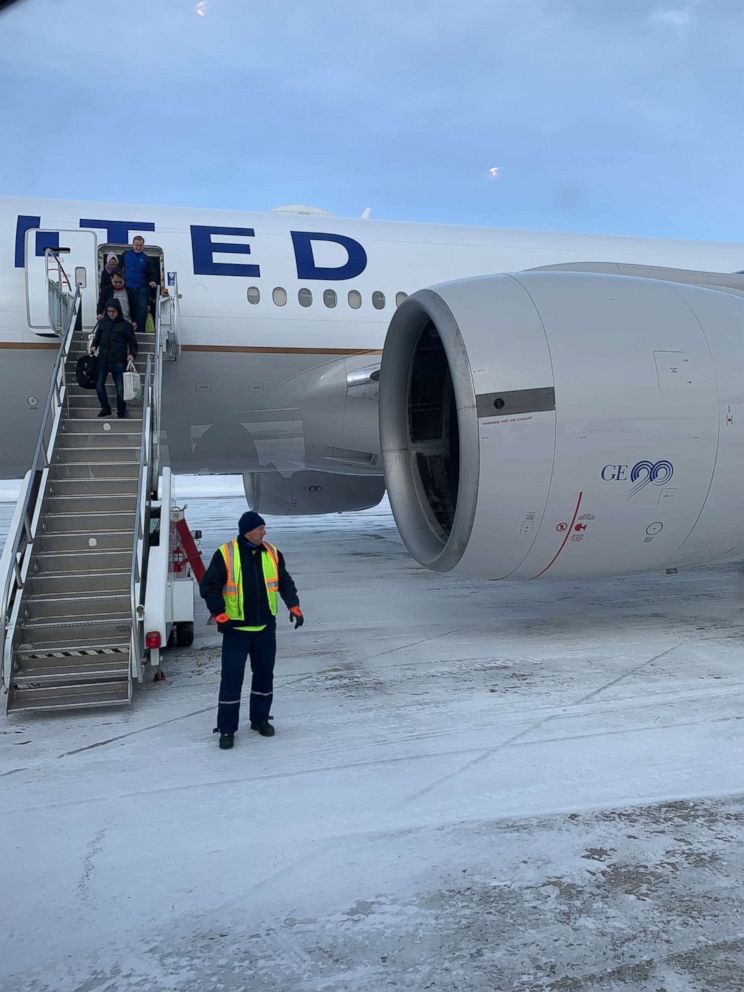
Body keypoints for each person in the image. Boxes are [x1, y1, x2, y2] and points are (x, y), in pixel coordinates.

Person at [199, 511, 304, 750]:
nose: (264, 532)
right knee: (231, 680)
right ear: (248, 530)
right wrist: (219, 613)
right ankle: (227, 729)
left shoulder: (272, 553)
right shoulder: (226, 554)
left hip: (265, 628)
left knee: (264, 676)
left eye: (264, 528)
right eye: (260, 529)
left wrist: (294, 605)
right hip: (237, 630)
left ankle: (260, 719)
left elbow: (284, 581)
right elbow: (209, 587)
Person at [90, 298, 138, 419]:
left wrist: (132, 354)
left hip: (119, 360)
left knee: (120, 389)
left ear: (118, 311)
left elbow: (133, 342)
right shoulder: (103, 323)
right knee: (99, 385)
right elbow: (97, 337)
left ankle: (121, 411)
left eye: (113, 311)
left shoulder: (126, 326)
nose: (111, 313)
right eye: (109, 311)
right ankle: (105, 408)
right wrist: (94, 346)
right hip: (103, 359)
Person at [121, 236, 158, 335]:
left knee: (142, 309)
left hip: (141, 287)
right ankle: (128, 329)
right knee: (128, 308)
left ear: (143, 246)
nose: (138, 248)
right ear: (133, 244)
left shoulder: (146, 258)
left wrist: (153, 281)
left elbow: (152, 273)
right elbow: (119, 269)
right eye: (136, 245)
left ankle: (141, 330)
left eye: (140, 246)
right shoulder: (125, 255)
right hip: (127, 287)